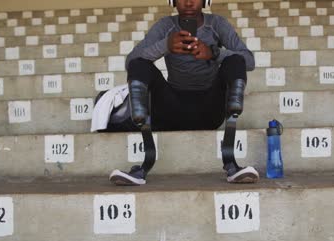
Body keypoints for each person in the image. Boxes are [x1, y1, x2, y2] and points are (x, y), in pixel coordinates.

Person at [108, 0, 259, 185]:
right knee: (139, 64)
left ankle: (231, 163)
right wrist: (166, 45)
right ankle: (143, 166)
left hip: (210, 109)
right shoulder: (166, 25)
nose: (188, 3)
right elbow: (131, 62)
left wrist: (214, 53)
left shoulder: (216, 24)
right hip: (172, 110)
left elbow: (249, 61)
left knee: (235, 60)